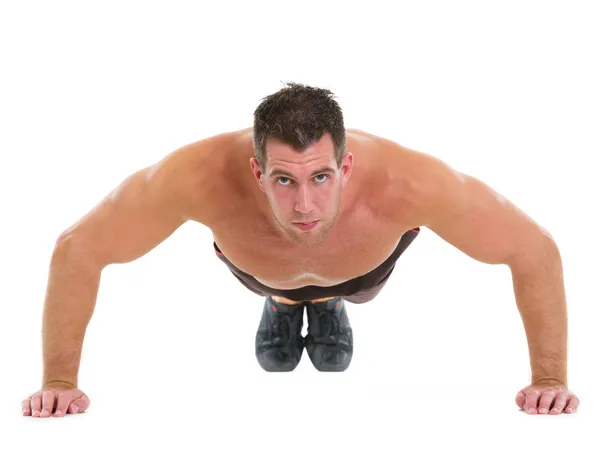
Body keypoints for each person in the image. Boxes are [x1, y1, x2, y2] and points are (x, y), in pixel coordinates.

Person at [22, 83, 579, 418]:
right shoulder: (194, 177)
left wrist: (550, 380)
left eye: (320, 177)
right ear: (257, 170)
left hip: (364, 269)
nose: (305, 204)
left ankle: (332, 304)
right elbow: (79, 249)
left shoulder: (413, 183)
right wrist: (60, 383)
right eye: (284, 181)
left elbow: (533, 249)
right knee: (279, 286)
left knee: (354, 290)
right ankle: (285, 305)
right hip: (259, 267)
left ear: (346, 166)